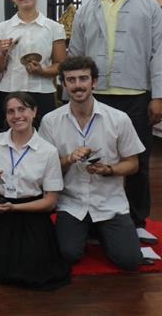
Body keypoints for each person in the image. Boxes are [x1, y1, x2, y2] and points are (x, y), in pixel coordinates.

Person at [69, 0, 162, 247]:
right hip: (97, 97)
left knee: (138, 159)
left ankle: (136, 220)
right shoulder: (86, 9)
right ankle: (96, 219)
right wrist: (74, 95)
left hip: (136, 94)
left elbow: (159, 54)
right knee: (96, 157)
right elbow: (76, 54)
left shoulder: (149, 7)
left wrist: (158, 96)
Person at [39, 56, 146, 270]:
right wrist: (69, 159)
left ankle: (98, 230)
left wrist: (109, 169)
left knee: (129, 260)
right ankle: (90, 230)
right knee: (68, 254)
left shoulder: (119, 118)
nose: (77, 85)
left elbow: (133, 164)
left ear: (94, 82)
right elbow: (44, 169)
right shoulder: (50, 121)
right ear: (64, 84)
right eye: (71, 80)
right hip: (72, 203)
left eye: (83, 78)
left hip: (109, 203)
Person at [0, 92, 70, 290]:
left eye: (22, 109)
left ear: (34, 112)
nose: (17, 116)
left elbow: (50, 202)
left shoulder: (48, 151)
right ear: (6, 116)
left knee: (32, 265)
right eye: (11, 111)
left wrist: (15, 208)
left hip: (31, 215)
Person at [0, 0, 66, 132]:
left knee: (44, 140)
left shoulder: (54, 28)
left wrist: (42, 71)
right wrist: (3, 53)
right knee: (5, 140)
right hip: (10, 92)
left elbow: (61, 65)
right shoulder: (1, 29)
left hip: (42, 93)